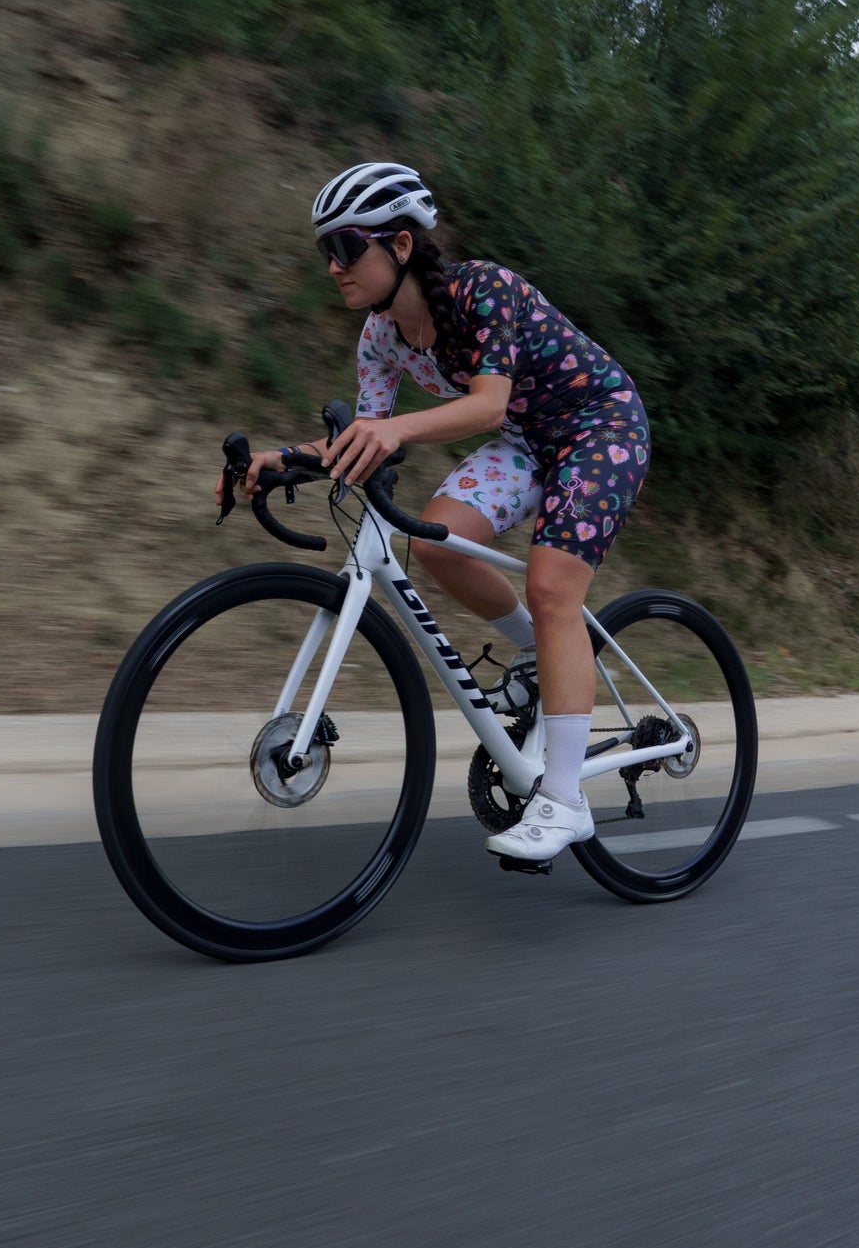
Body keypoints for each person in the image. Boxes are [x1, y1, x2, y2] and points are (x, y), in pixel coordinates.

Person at [216, 162, 651, 863]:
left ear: (400, 245)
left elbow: (482, 402)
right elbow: (363, 434)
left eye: (346, 245)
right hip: (525, 443)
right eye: (322, 249)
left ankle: (565, 799)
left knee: (550, 586)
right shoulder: (379, 336)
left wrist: (395, 432)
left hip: (600, 428)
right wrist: (283, 458)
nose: (333, 265)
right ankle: (545, 659)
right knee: (439, 545)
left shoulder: (483, 290)